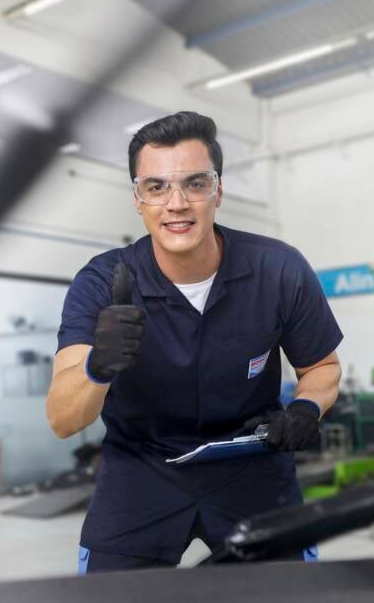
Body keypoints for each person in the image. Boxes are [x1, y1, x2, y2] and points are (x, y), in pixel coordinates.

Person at [46, 111, 343, 574]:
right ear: (138, 199)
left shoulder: (279, 269)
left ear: (218, 190)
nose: (177, 203)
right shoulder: (101, 282)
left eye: (195, 183)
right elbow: (64, 419)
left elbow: (321, 368)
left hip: (252, 464)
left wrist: (306, 408)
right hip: (140, 470)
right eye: (157, 187)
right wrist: (97, 368)